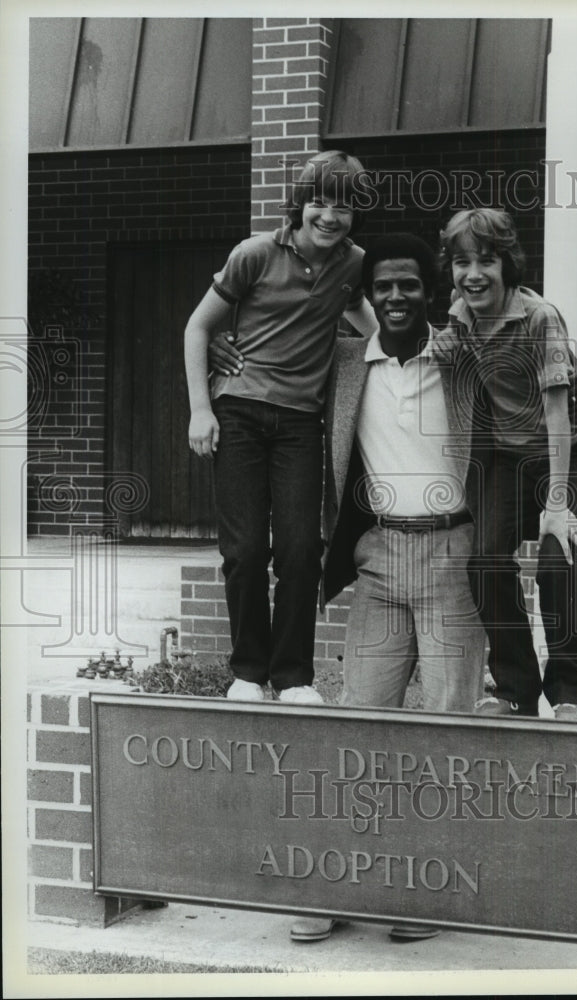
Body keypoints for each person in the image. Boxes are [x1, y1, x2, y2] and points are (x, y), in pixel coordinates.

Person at [210, 233, 486, 944]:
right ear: (370, 296)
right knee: (355, 731)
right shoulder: (343, 362)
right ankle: (335, 886)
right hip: (381, 560)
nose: (396, 297)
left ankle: (425, 894)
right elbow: (273, 370)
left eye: (410, 286)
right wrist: (223, 356)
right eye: (384, 287)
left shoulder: (460, 356)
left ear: (432, 292)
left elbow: (518, 335)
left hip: (455, 554)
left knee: (446, 733)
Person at [184, 150, 377, 706]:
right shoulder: (254, 254)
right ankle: (247, 671)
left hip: (300, 424)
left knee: (300, 550)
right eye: (319, 200)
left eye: (343, 205)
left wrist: (407, 348)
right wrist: (202, 408)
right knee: (244, 550)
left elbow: (368, 320)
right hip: (239, 414)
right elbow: (199, 328)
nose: (329, 215)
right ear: (299, 203)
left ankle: (293, 677)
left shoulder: (353, 263)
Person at [434, 208, 577, 721]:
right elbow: (446, 348)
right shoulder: (462, 314)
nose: (473, 274)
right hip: (509, 454)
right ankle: (514, 691)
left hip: (572, 448)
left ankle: (571, 694)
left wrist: (557, 507)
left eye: (486, 261)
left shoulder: (540, 317)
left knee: (558, 559)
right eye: (461, 262)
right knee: (485, 560)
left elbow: (559, 415)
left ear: (507, 263)